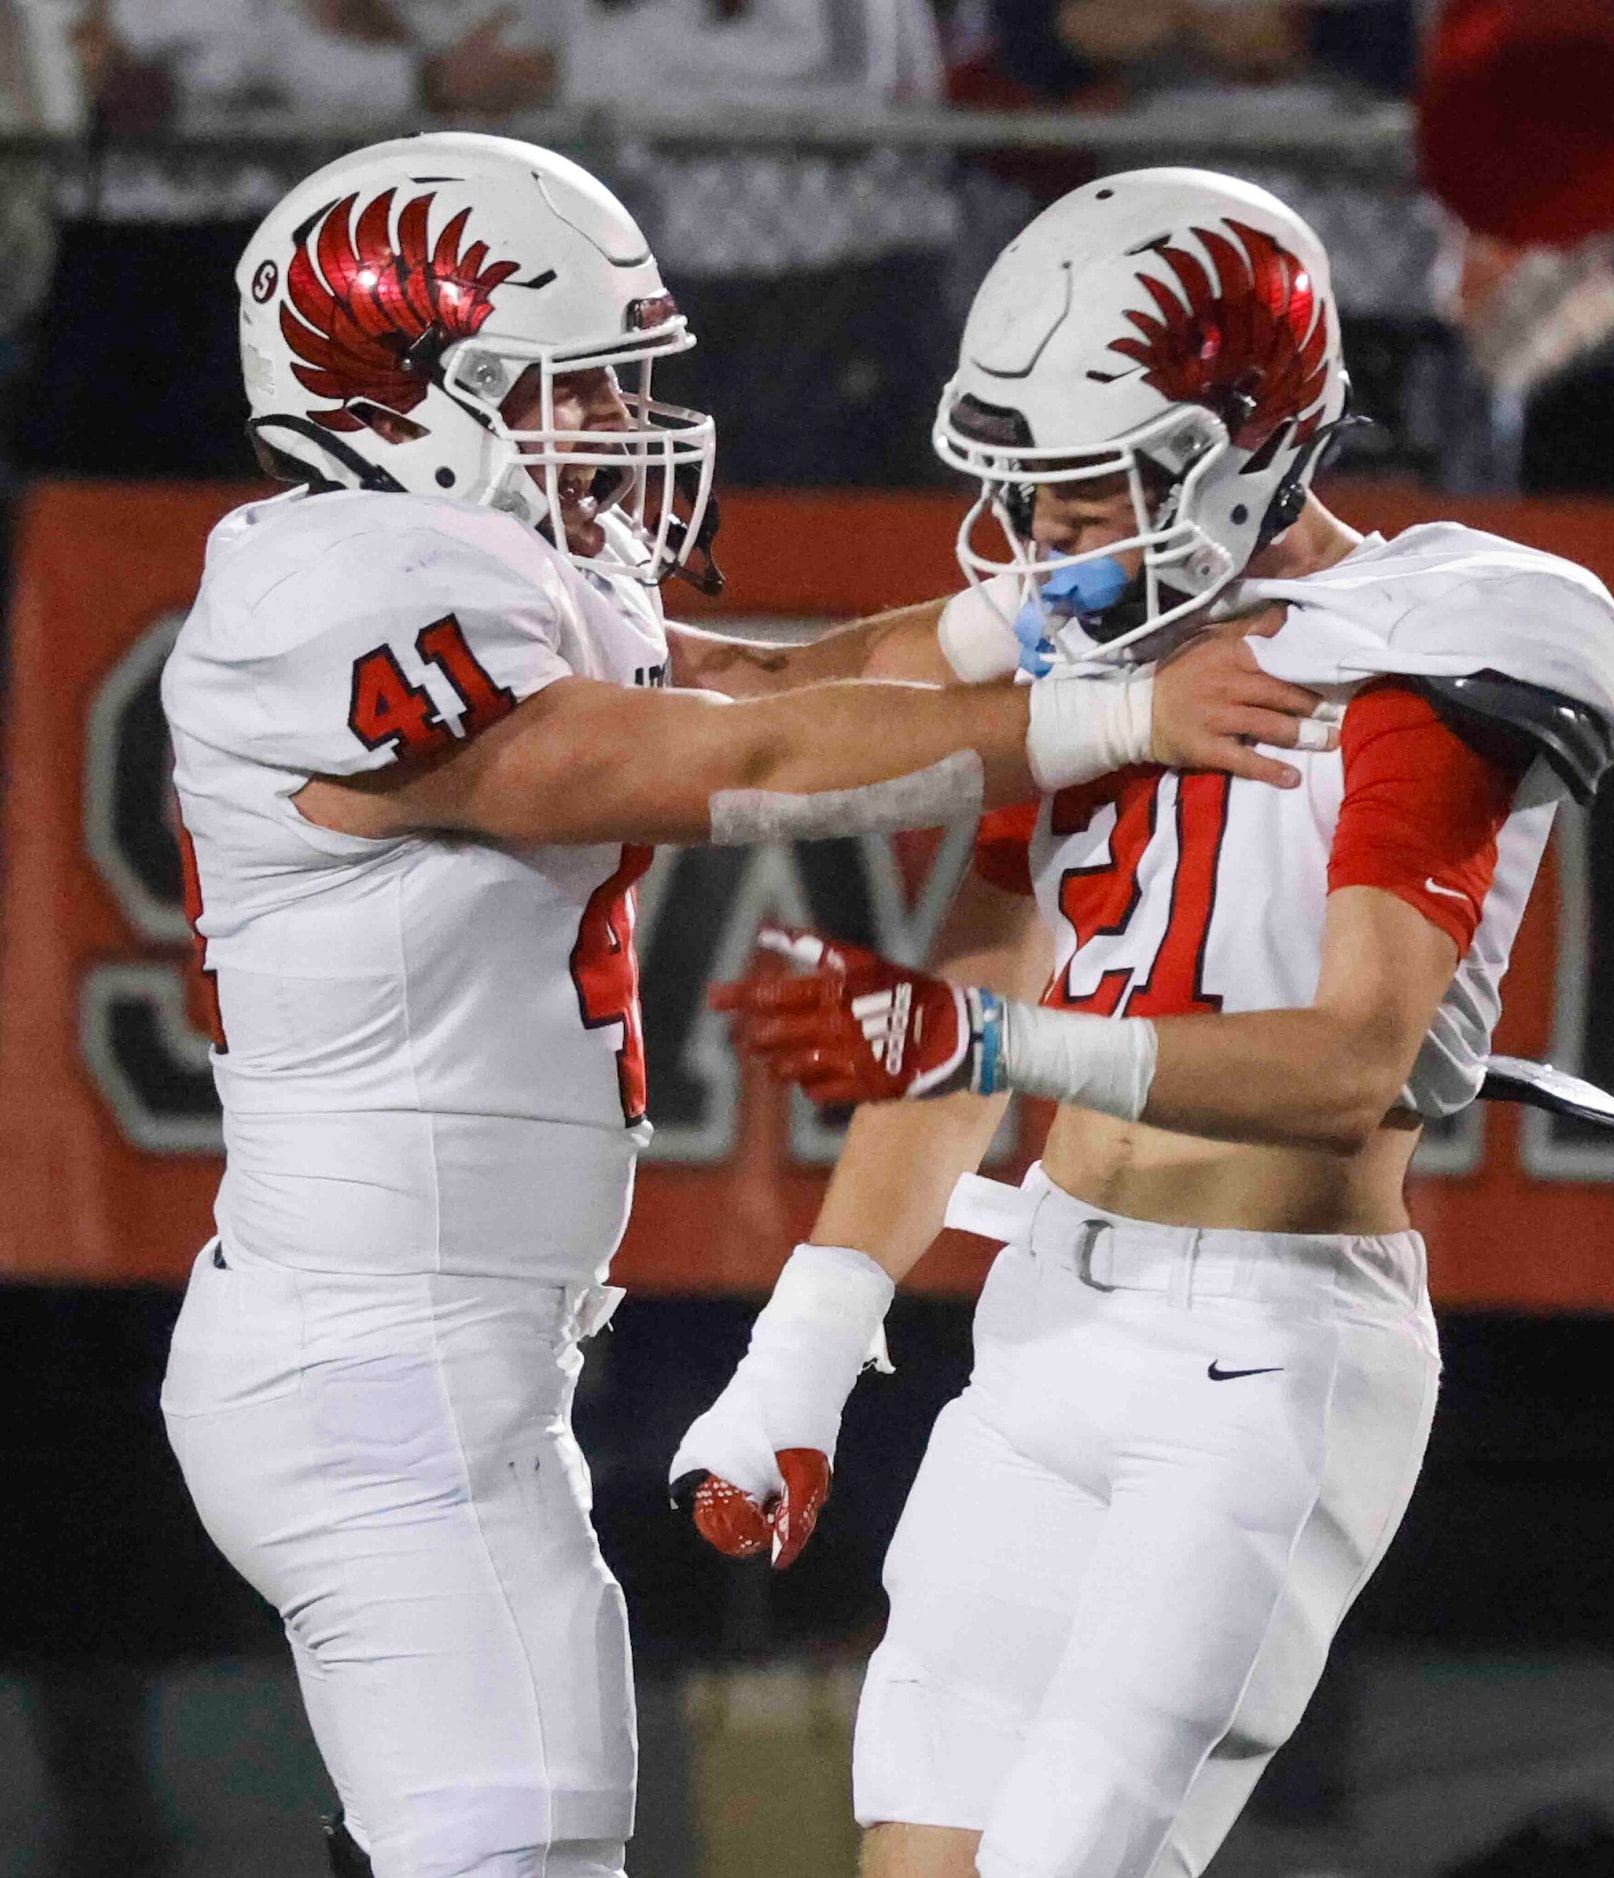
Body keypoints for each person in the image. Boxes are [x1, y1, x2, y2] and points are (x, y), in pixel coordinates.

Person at [155, 132, 1318, 1878]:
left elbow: (786, 676)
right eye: (560, 391)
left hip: (434, 1349)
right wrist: (1113, 722)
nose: (608, 431)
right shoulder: (331, 585)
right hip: (372, 1360)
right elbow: (739, 759)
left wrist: (1068, 605)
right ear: (403, 391)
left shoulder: (459, 568)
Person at [673, 167, 1614, 1878]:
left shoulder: (1435, 637)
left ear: (1240, 448)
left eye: (1082, 491)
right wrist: (804, 1349)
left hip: (1264, 1351)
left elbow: (1348, 1066)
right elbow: (954, 1003)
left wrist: (999, 1053)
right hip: (1046, 1312)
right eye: (1025, 493)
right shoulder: (1100, 666)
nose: (1042, 539)